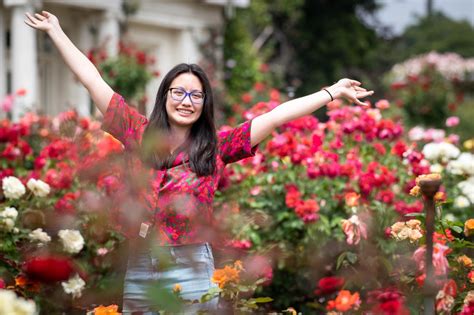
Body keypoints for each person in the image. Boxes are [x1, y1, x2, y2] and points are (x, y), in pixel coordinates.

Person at [25, 10, 373, 314]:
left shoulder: (219, 146)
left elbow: (277, 116)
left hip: (193, 266)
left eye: (195, 95)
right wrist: (56, 30)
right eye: (179, 92)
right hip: (142, 263)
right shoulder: (138, 132)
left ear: (204, 103)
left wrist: (331, 92)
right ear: (165, 96)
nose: (186, 101)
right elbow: (92, 80)